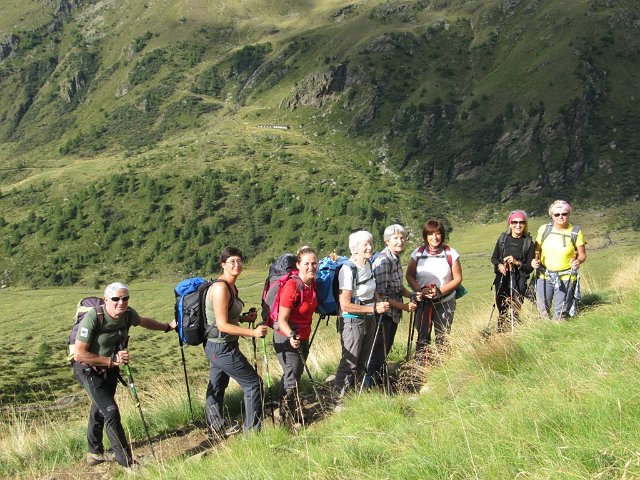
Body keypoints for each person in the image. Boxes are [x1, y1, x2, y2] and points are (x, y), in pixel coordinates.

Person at [73, 282, 177, 468]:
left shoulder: (128, 314)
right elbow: (80, 354)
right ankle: (127, 463)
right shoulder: (93, 316)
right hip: (88, 369)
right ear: (106, 300)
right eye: (116, 299)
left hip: (111, 369)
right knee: (111, 411)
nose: (121, 302)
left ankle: (94, 453)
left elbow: (143, 321)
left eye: (125, 298)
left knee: (99, 409)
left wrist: (167, 327)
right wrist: (111, 361)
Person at [204, 246, 267, 439]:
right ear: (223, 264)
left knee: (217, 386)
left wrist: (243, 319)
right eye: (232, 261)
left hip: (218, 345)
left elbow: (224, 317)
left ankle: (216, 427)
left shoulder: (231, 285)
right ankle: (252, 435)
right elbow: (222, 325)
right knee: (254, 385)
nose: (237, 265)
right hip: (222, 347)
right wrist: (253, 332)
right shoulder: (221, 288)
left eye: (239, 261)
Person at [334, 231, 390, 398]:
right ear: (354, 248)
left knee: (363, 360)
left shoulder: (368, 265)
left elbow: (371, 290)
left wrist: (378, 301)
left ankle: (356, 397)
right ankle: (339, 399)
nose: (369, 247)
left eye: (371, 243)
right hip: (353, 322)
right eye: (365, 244)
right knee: (350, 362)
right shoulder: (348, 269)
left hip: (369, 319)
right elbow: (345, 304)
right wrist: (373, 309)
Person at [273, 246, 318, 428]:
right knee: (291, 378)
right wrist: (291, 335)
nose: (311, 267)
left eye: (314, 263)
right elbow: (281, 319)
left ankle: (290, 410)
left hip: (303, 338)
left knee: (295, 376)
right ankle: (287, 418)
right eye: (306, 263)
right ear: (298, 264)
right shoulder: (292, 286)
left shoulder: (311, 283)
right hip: (286, 339)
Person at [406, 220, 463, 364]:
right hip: (423, 303)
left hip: (445, 302)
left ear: (442, 235)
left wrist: (439, 291)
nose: (434, 237)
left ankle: (442, 368)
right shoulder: (417, 253)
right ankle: (421, 365)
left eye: (437, 234)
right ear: (425, 236)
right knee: (422, 335)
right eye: (430, 234)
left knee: (443, 336)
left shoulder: (451, 253)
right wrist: (420, 291)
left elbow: (458, 278)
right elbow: (409, 275)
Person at [368, 224, 417, 387]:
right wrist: (404, 307)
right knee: (378, 352)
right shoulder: (383, 261)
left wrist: (412, 295)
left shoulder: (395, 259)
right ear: (386, 241)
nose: (400, 241)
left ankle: (378, 382)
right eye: (395, 238)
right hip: (383, 315)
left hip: (392, 314)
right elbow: (381, 296)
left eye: (402, 238)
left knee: (385, 349)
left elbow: (396, 286)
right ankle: (369, 385)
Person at [531, 200, 587, 319]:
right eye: (557, 214)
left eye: (564, 214)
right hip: (543, 275)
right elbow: (536, 251)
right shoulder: (544, 229)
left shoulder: (576, 232)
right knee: (542, 311)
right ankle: (543, 336)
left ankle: (561, 334)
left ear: (568, 214)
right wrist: (533, 261)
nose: (561, 216)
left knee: (561, 313)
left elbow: (582, 255)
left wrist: (578, 261)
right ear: (551, 216)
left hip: (566, 276)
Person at [490, 210, 535, 332]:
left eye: (521, 222)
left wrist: (516, 262)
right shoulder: (503, 239)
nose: (518, 225)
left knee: (515, 307)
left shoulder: (529, 243)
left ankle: (515, 331)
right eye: (514, 222)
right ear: (510, 224)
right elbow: (494, 258)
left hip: (519, 279)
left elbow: (529, 268)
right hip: (502, 278)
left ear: (525, 224)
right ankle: (501, 331)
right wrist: (499, 265)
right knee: (502, 308)